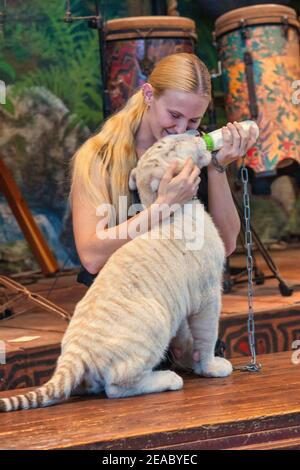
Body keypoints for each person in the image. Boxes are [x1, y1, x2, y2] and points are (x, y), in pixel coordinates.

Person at [70, 52, 257, 359]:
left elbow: (224, 244)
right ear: (148, 95)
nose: (182, 128)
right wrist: (163, 206)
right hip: (126, 321)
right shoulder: (99, 157)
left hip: (181, 317)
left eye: (194, 120)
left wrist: (217, 168)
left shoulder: (192, 151)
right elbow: (91, 256)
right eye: (173, 115)